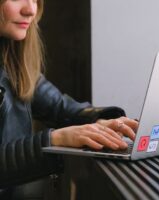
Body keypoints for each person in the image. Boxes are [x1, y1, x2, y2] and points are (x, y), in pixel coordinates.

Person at [0, 0, 138, 197]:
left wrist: (107, 122)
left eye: (34, 0)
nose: (30, 10)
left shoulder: (13, 57)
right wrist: (56, 138)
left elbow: (60, 108)